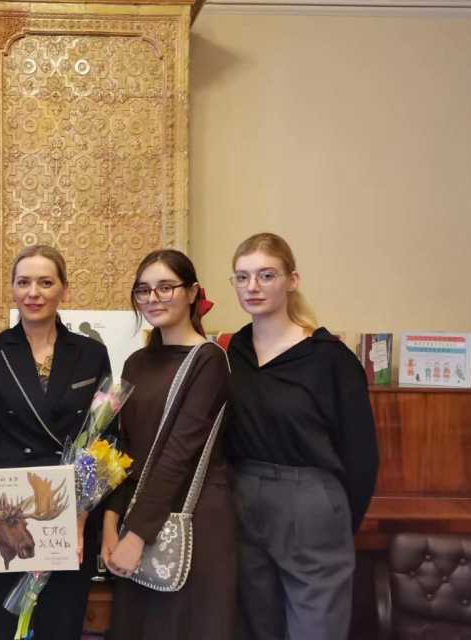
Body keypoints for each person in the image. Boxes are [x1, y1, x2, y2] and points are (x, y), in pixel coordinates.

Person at [0, 244, 111, 639]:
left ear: (64, 289)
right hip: (1, 519)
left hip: (67, 519)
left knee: (60, 629)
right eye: (23, 282)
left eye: (45, 282)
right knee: (0, 630)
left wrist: (79, 517)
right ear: (12, 289)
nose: (33, 292)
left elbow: (104, 442)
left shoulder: (91, 354)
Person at [225, 232, 378, 639]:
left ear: (292, 280)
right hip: (243, 496)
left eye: (266, 275)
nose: (252, 287)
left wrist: (336, 521)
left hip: (310, 501)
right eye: (242, 277)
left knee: (316, 629)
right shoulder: (234, 350)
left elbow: (362, 455)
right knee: (258, 627)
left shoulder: (329, 358)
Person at [102, 249, 237, 639]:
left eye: (165, 287)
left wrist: (136, 534)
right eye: (143, 290)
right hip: (138, 513)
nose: (153, 298)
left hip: (192, 521)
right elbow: (123, 451)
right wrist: (111, 522)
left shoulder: (209, 360)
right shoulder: (136, 363)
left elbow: (179, 453)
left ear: (192, 292)